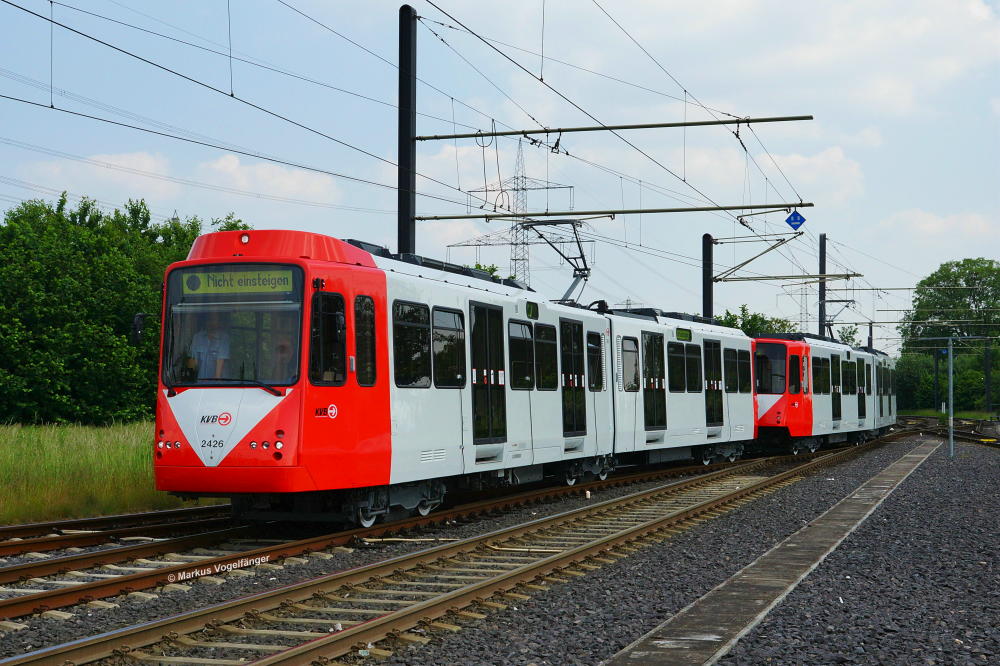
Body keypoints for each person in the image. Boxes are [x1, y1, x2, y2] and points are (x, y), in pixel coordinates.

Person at [187, 311, 230, 380]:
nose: (210, 322)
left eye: (213, 319)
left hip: (218, 383)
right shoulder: (197, 337)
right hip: (199, 382)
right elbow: (193, 361)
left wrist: (214, 382)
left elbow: (219, 369)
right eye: (209, 319)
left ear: (219, 322)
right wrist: (190, 378)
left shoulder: (224, 338)